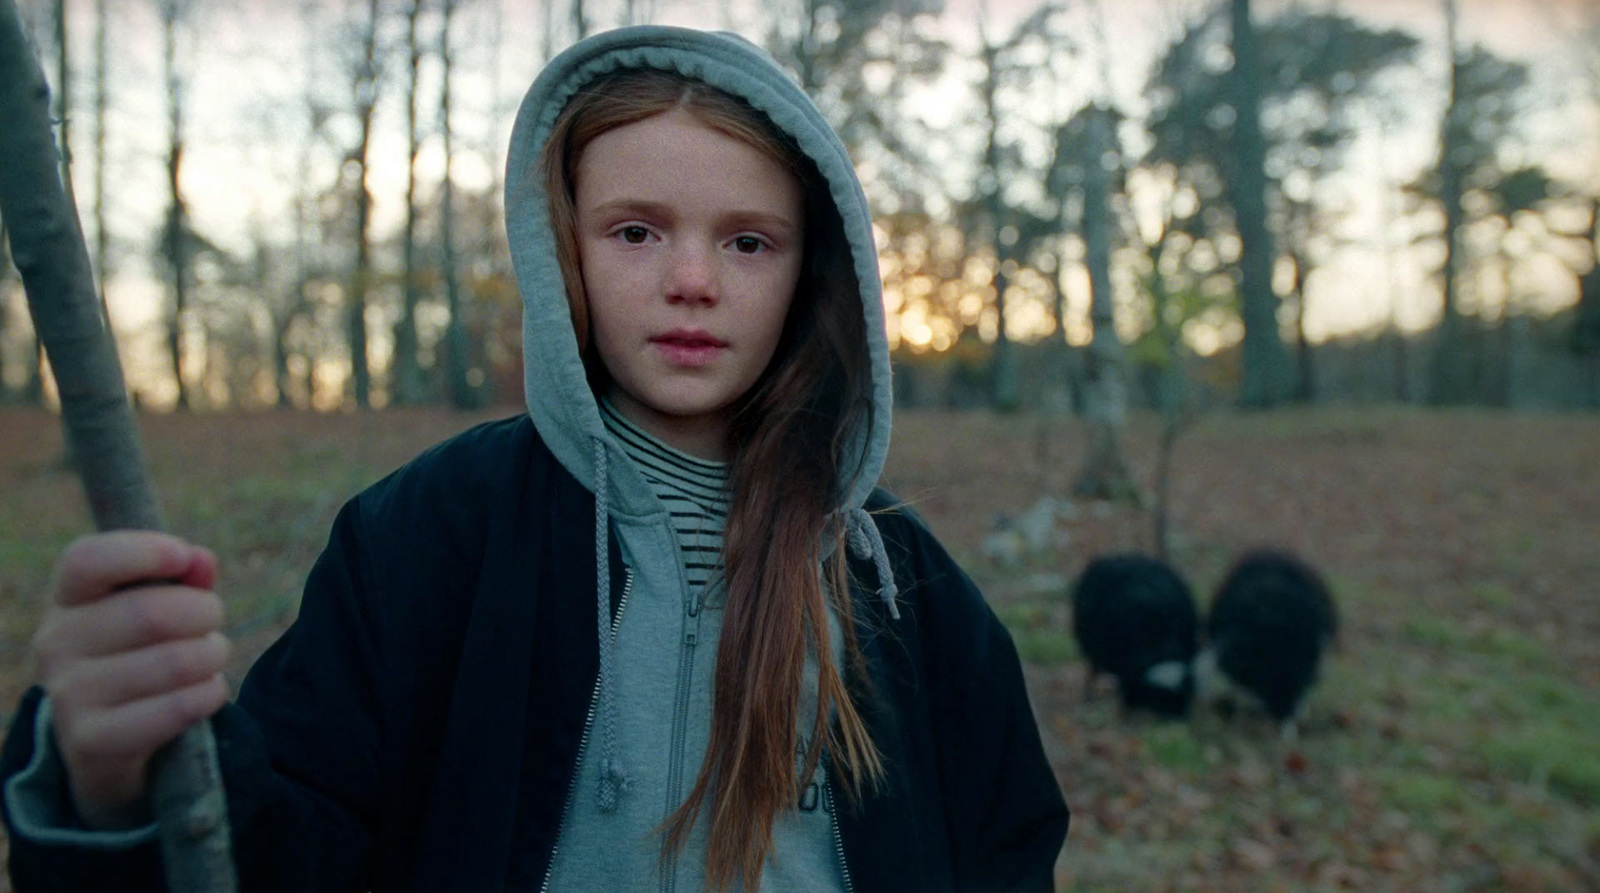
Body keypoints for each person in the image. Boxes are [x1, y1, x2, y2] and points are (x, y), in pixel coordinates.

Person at [1, 26, 1068, 892]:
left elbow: (1003, 850)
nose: (691, 278)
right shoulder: (428, 536)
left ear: (812, 272)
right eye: (635, 232)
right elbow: (289, 851)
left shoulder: (904, 585)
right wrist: (112, 781)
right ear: (562, 247)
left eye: (748, 240)